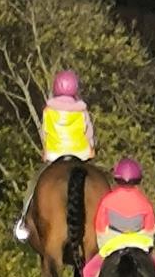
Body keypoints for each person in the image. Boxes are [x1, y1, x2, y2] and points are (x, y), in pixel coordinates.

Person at [81, 158, 155, 277]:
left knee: (88, 272)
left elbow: (100, 228)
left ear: (117, 178)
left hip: (113, 243)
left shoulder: (108, 200)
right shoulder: (144, 202)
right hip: (140, 243)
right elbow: (150, 229)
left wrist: (105, 247)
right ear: (138, 179)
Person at [13, 69, 96, 242]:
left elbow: (45, 133)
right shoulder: (82, 111)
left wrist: (46, 150)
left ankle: (22, 220)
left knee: (34, 183)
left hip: (55, 154)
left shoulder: (48, 111)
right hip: (80, 154)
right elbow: (89, 133)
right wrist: (91, 148)